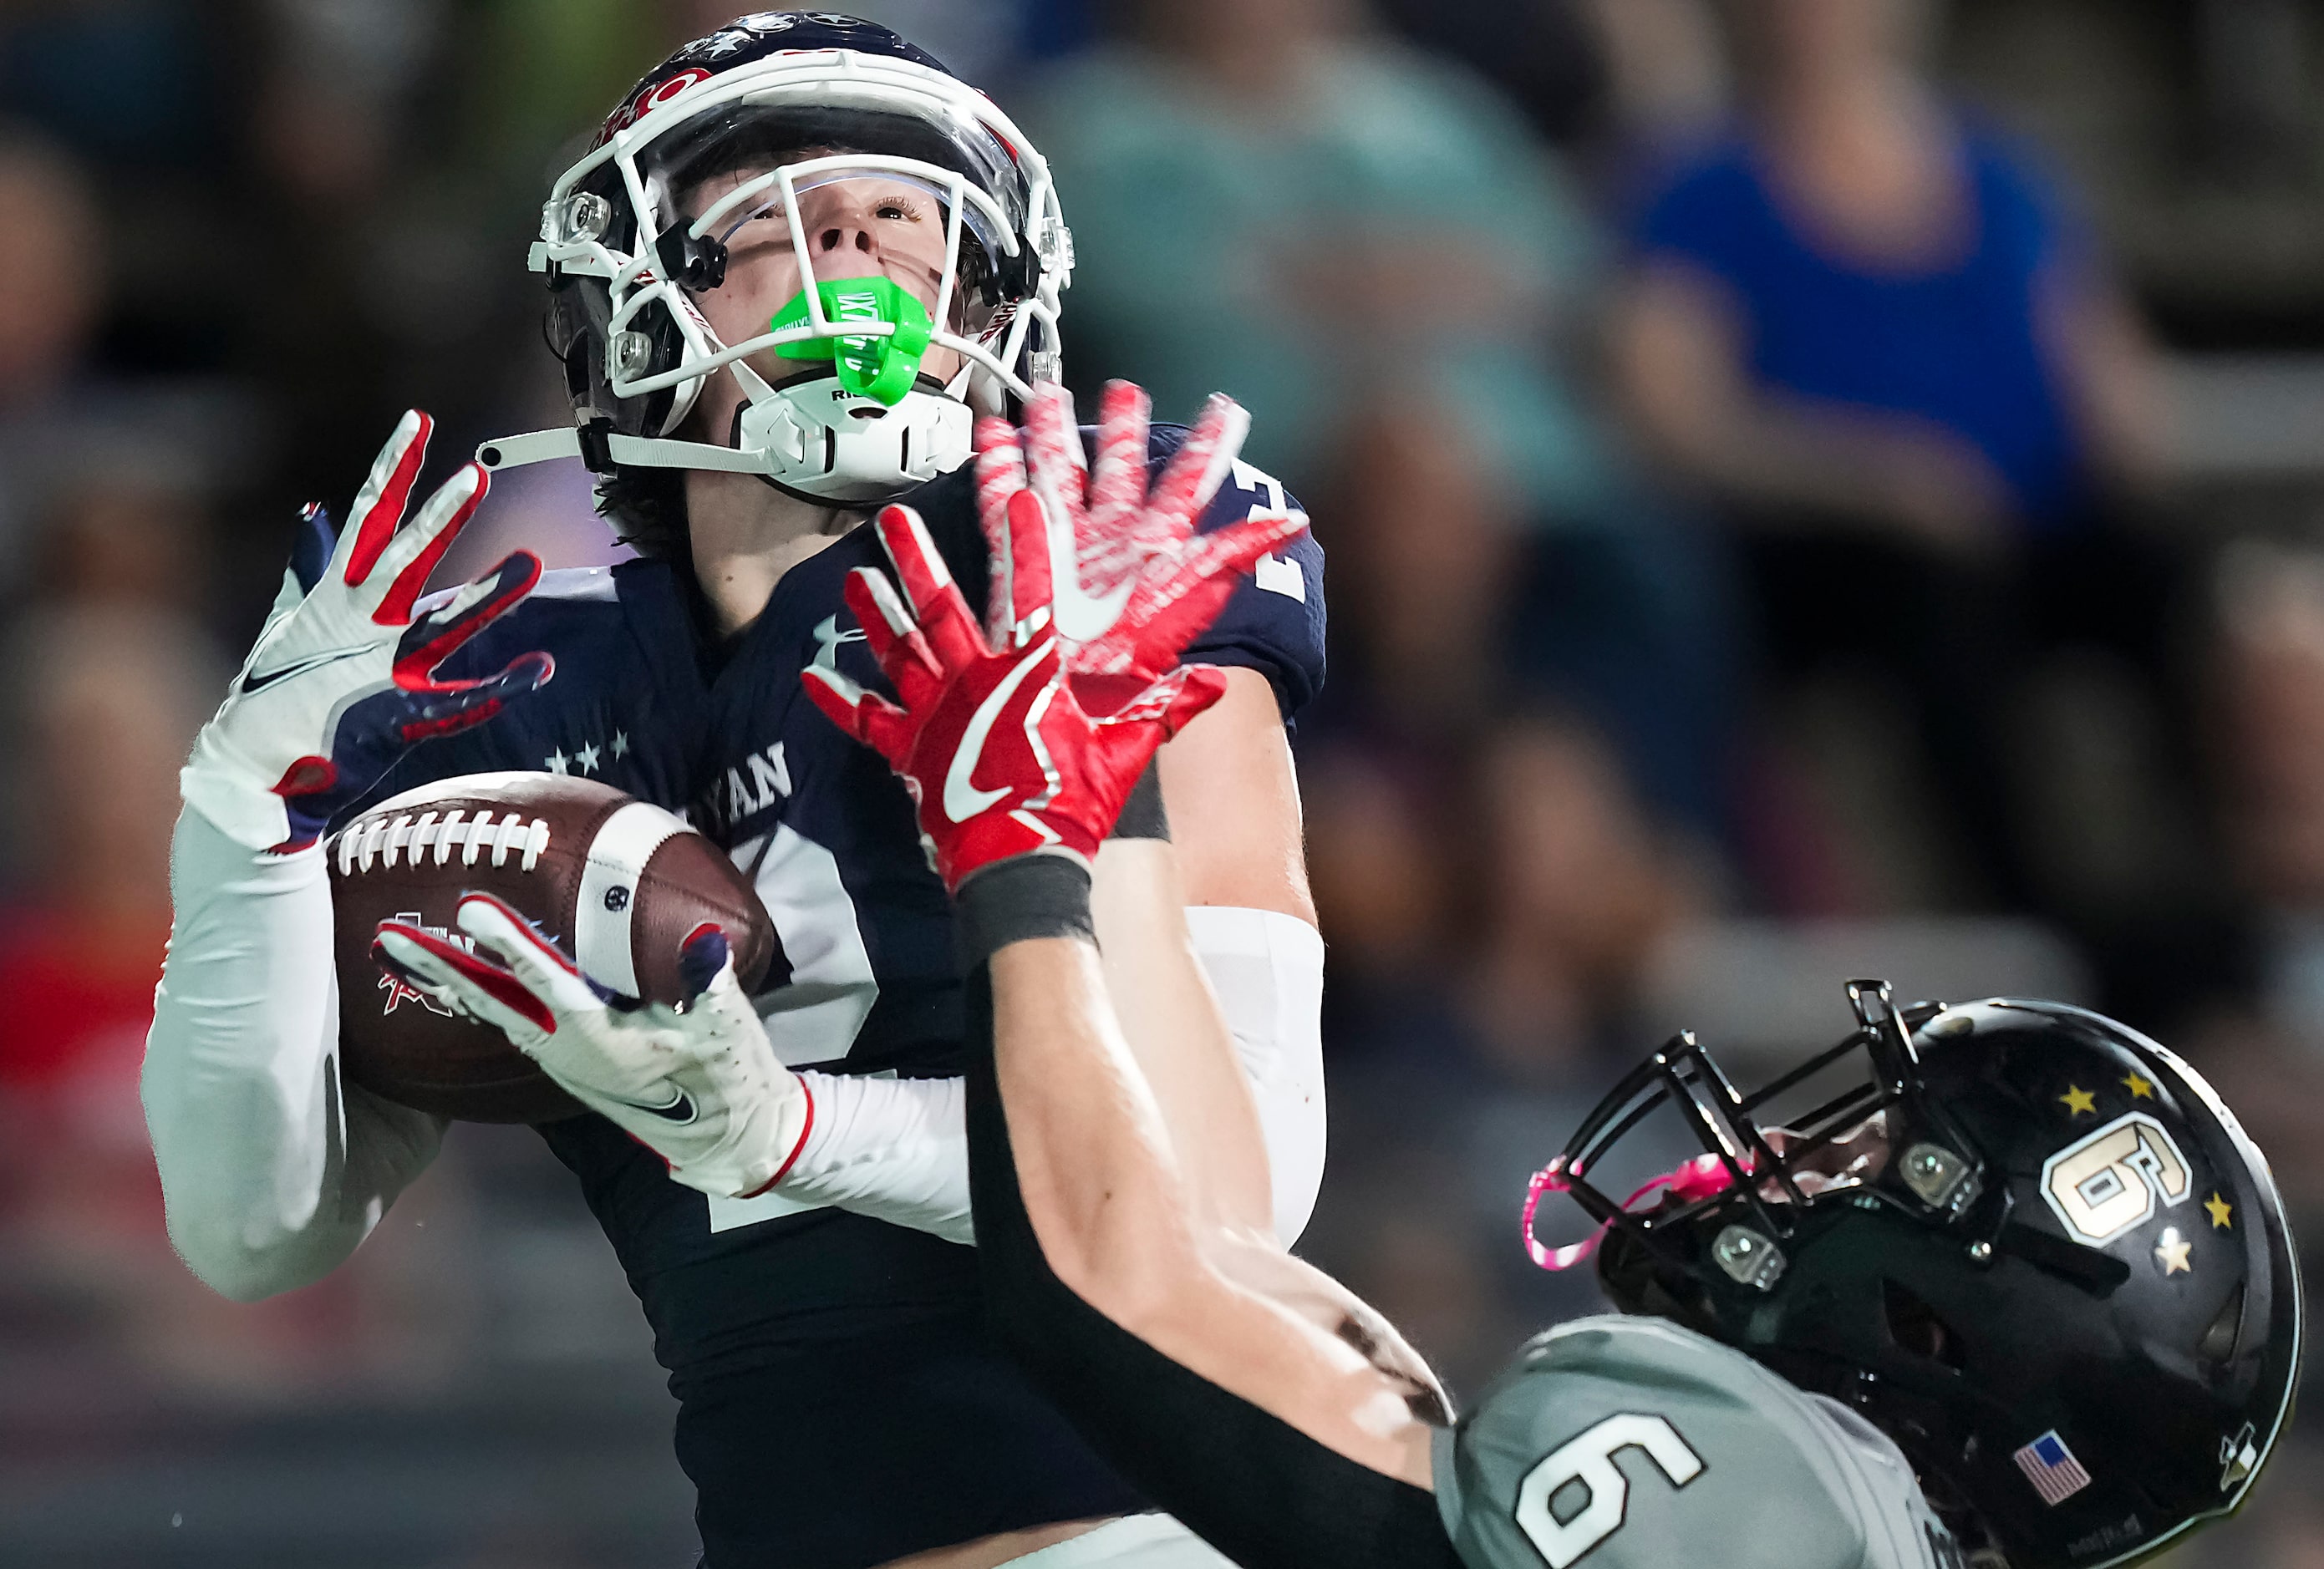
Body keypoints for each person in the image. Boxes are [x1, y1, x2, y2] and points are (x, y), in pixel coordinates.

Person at [392, 431, 2303, 1569]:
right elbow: (1283, 1372)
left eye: (1872, 1160)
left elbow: (1107, 1293)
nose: (1787, 1169)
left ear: (1956, 1319)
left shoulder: (1757, 1493)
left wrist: (1021, 860)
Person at [144, 15, 1328, 1569]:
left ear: (983, 288)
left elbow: (1229, 1187)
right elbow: (253, 1230)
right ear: (635, 303)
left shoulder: (1088, 543)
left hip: (1157, 1526)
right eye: (769, 202)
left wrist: (791, 1130)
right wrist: (243, 824)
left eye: (905, 209)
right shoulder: (504, 686)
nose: (850, 224)